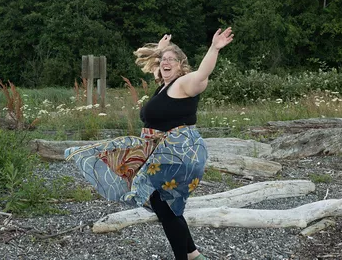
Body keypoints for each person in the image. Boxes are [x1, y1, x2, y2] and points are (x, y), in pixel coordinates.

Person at [65, 27, 233, 260]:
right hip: (163, 152)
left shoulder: (185, 83)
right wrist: (161, 50)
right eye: (163, 61)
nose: (165, 63)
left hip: (178, 152)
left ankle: (186, 257)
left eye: (171, 60)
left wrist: (214, 48)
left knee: (163, 203)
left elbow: (202, 73)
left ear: (182, 65)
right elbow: (158, 66)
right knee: (166, 204)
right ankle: (193, 254)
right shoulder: (164, 85)